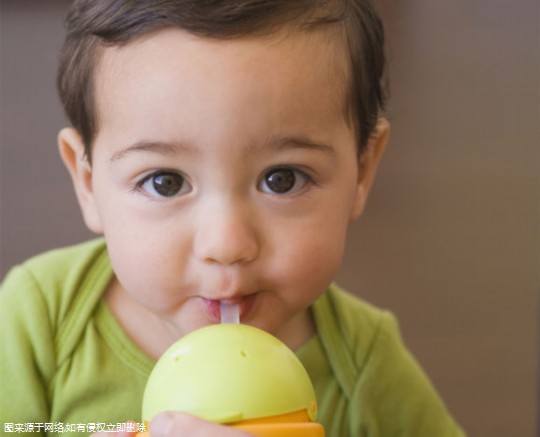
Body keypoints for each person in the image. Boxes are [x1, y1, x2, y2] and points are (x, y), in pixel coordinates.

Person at [0, 1, 465, 436]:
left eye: (282, 179)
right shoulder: (40, 321)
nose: (226, 244)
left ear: (362, 171)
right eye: (165, 181)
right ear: (88, 182)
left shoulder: (365, 364)